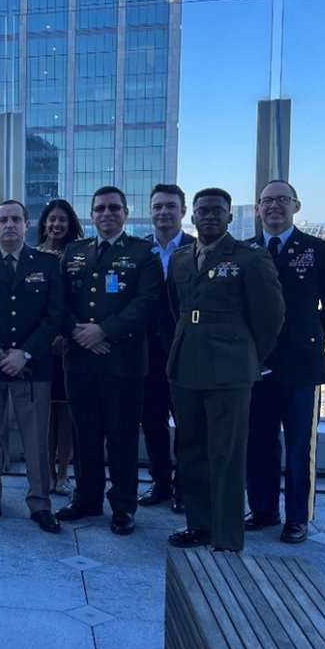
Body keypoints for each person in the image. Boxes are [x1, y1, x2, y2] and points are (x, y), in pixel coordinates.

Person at [166, 188, 284, 552]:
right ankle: (199, 524)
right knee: (190, 449)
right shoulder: (182, 258)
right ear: (193, 217)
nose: (210, 216)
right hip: (187, 363)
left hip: (230, 368)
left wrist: (248, 357)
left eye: (217, 211)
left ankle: (227, 535)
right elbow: (178, 308)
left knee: (227, 453)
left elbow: (270, 316)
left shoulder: (250, 258)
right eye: (203, 211)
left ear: (230, 217)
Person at [244, 179, 325, 544]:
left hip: (301, 365)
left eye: (281, 200)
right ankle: (262, 509)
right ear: (257, 209)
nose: (274, 207)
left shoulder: (319, 250)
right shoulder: (246, 250)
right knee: (258, 440)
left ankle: (297, 518)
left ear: (296, 206)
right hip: (257, 364)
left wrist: (311, 334)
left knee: (299, 445)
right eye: (266, 201)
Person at [55, 186, 162, 535]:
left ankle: (123, 507)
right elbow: (59, 300)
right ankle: (86, 499)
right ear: (91, 214)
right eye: (99, 208)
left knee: (121, 436)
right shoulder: (73, 252)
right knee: (84, 433)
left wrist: (103, 332)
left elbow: (146, 303)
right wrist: (79, 332)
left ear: (126, 213)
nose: (106, 214)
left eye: (114, 208)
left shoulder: (143, 253)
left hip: (123, 362)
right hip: (80, 359)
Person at [0, 201, 64, 534]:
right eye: (3, 219)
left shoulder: (48, 264)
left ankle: (40, 504)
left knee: (35, 440)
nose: (9, 224)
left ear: (27, 224)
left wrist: (25, 354)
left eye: (15, 219)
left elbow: (54, 316)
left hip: (33, 368)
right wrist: (1, 352)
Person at [139, 183, 195, 511]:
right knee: (152, 420)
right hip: (147, 352)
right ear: (150, 211)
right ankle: (160, 482)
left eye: (170, 206)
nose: (163, 212)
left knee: (186, 423)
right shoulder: (139, 250)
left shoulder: (196, 249)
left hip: (186, 350)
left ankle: (184, 488)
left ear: (182, 211)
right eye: (158, 206)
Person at [34, 198, 83, 495]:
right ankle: (46, 473)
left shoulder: (79, 255)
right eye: (51, 219)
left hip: (71, 342)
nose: (56, 224)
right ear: (43, 224)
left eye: (62, 220)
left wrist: (67, 333)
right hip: (41, 344)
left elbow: (76, 301)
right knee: (44, 412)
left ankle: (63, 472)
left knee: (66, 414)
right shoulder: (34, 256)